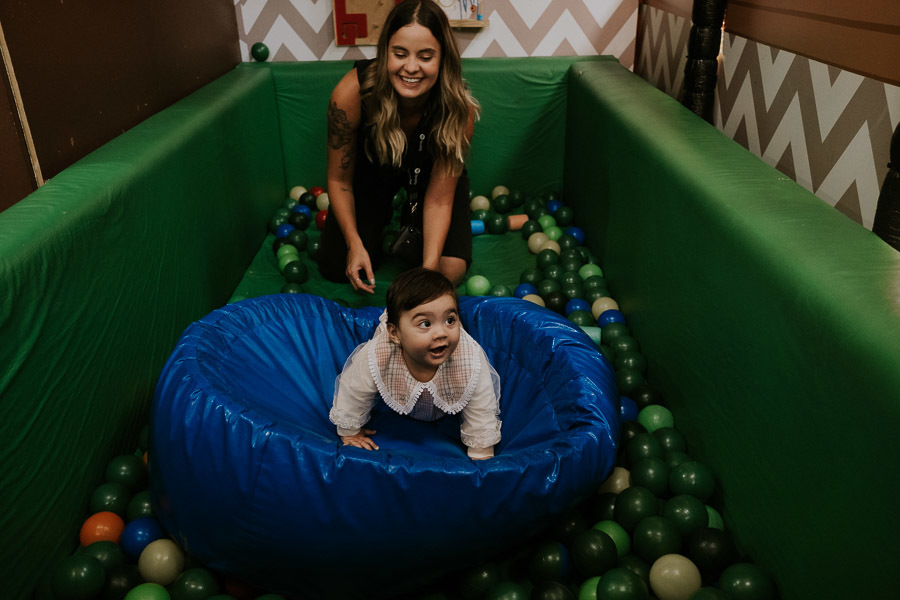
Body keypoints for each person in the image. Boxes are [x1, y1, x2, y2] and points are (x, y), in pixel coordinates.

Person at [317, 0, 480, 293]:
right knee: (335, 265)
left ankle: (411, 220)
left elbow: (440, 200)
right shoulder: (351, 94)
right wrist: (355, 244)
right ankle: (383, 222)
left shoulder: (459, 110)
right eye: (400, 53)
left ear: (443, 58)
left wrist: (428, 275)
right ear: (385, 52)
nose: (411, 67)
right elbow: (338, 180)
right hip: (374, 170)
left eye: (426, 56)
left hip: (431, 181)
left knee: (449, 269)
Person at [329, 267, 501, 459]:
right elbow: (354, 390)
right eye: (425, 324)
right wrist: (350, 431)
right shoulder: (380, 354)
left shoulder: (468, 359)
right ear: (394, 334)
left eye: (450, 320)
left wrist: (481, 453)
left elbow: (482, 408)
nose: (442, 333)